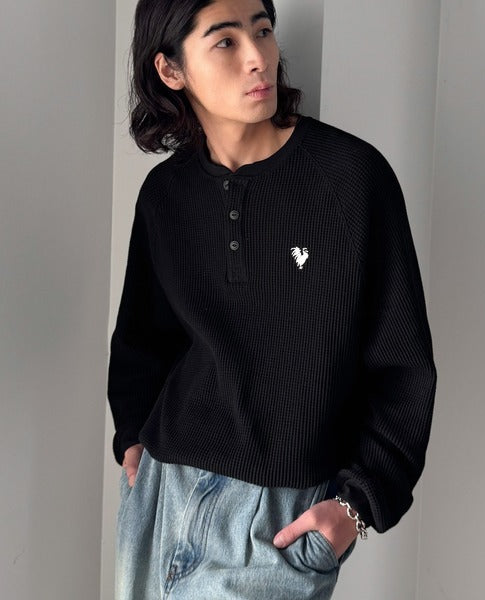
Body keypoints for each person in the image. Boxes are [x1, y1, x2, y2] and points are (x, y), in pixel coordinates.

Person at [107, 0, 437, 598]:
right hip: (161, 489)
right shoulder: (165, 194)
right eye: (225, 41)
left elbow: (402, 364)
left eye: (263, 30)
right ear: (171, 69)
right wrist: (131, 432)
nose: (259, 57)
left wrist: (358, 505)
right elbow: (142, 339)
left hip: (277, 518)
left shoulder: (351, 179)